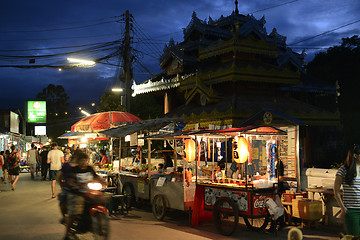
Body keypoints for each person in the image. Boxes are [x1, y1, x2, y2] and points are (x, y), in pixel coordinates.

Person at [63, 151, 104, 240]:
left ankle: (99, 225)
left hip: (89, 192)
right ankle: (67, 233)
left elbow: (96, 176)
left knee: (101, 199)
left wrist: (103, 181)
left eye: (86, 160)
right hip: (76, 193)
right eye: (82, 160)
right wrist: (75, 185)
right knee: (75, 212)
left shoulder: (89, 168)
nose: (84, 162)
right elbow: (70, 181)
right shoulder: (74, 170)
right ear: (78, 161)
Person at [334, 144, 360, 236]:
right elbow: (336, 191)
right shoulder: (343, 170)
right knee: (354, 237)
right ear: (355, 155)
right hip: (352, 211)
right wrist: (343, 208)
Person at [267, 154, 287, 233]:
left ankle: (273, 226)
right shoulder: (272, 164)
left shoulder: (279, 163)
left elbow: (281, 178)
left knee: (274, 206)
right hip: (273, 188)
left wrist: (273, 180)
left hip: (278, 188)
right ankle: (282, 223)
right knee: (277, 205)